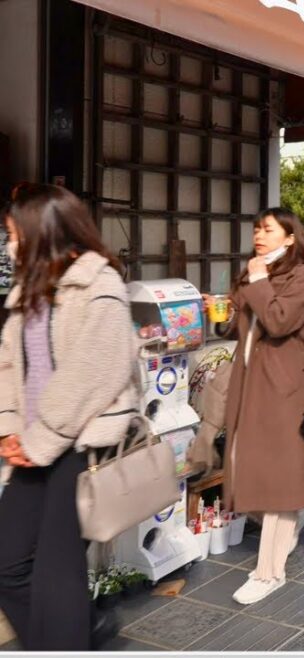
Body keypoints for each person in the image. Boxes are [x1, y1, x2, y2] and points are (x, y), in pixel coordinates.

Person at [0, 185, 137, 650]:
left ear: (44, 232)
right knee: (8, 562)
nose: (9, 244)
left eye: (14, 234)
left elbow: (91, 374)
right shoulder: (29, 289)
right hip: (32, 447)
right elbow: (7, 364)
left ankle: (66, 637)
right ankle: (76, 633)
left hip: (78, 447)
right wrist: (8, 428)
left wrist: (38, 442)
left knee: (56, 577)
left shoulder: (100, 284)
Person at [218, 208, 304, 605]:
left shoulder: (300, 275)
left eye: (269, 229)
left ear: (290, 237)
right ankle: (297, 513)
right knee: (253, 467)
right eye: (257, 228)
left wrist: (258, 280)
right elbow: (239, 325)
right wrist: (221, 315)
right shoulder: (253, 270)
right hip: (249, 383)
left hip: (282, 387)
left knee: (278, 477)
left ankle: (269, 573)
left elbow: (278, 321)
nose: (259, 235)